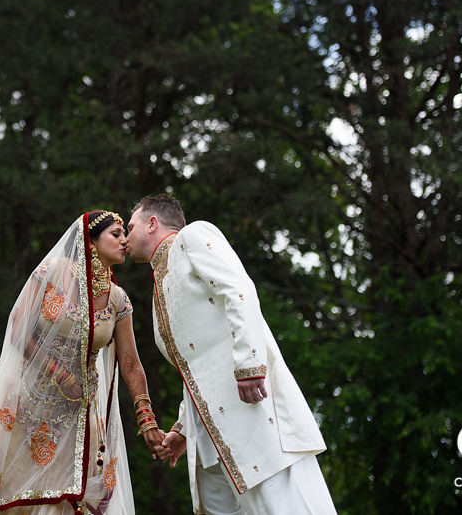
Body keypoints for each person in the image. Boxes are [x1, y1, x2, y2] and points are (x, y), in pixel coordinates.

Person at [124, 195, 337, 515]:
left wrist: (250, 365)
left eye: (130, 227)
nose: (125, 237)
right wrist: (184, 427)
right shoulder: (158, 291)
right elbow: (194, 366)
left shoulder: (192, 238)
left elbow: (239, 290)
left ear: (152, 224)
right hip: (210, 438)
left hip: (253, 414)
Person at [0, 210, 166, 515]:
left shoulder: (118, 299)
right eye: (115, 234)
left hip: (82, 416)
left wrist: (147, 419)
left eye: (124, 234)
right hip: (33, 408)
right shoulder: (54, 271)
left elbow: (131, 364)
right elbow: (18, 328)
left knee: (68, 500)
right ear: (91, 241)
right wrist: (63, 376)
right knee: (15, 497)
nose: (124, 240)